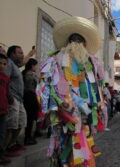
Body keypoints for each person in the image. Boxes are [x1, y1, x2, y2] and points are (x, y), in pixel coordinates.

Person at [37, 16, 103, 166]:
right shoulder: (56, 60)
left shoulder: (89, 63)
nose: (77, 44)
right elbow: (46, 84)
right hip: (65, 110)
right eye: (75, 41)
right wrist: (57, 103)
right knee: (66, 140)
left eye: (79, 41)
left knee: (80, 138)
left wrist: (95, 105)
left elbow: (95, 87)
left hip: (83, 110)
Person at [4, 45, 35, 157]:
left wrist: (30, 54)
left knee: (22, 122)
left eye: (22, 53)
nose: (22, 55)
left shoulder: (16, 65)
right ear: (12, 54)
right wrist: (9, 97)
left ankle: (12, 144)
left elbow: (22, 63)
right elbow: (4, 80)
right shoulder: (8, 64)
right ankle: (4, 149)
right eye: (20, 53)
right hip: (13, 98)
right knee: (11, 124)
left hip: (19, 99)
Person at [22, 58, 39, 145]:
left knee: (29, 117)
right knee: (31, 117)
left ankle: (28, 136)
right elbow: (38, 83)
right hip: (30, 96)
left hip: (25, 96)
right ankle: (28, 137)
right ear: (32, 66)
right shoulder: (31, 74)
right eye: (36, 65)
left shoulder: (23, 73)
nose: (37, 67)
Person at [0, 54, 11, 164]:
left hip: (3, 110)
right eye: (0, 63)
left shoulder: (5, 78)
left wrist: (10, 100)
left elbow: (7, 93)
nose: (2, 66)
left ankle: (1, 155)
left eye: (4, 64)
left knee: (2, 134)